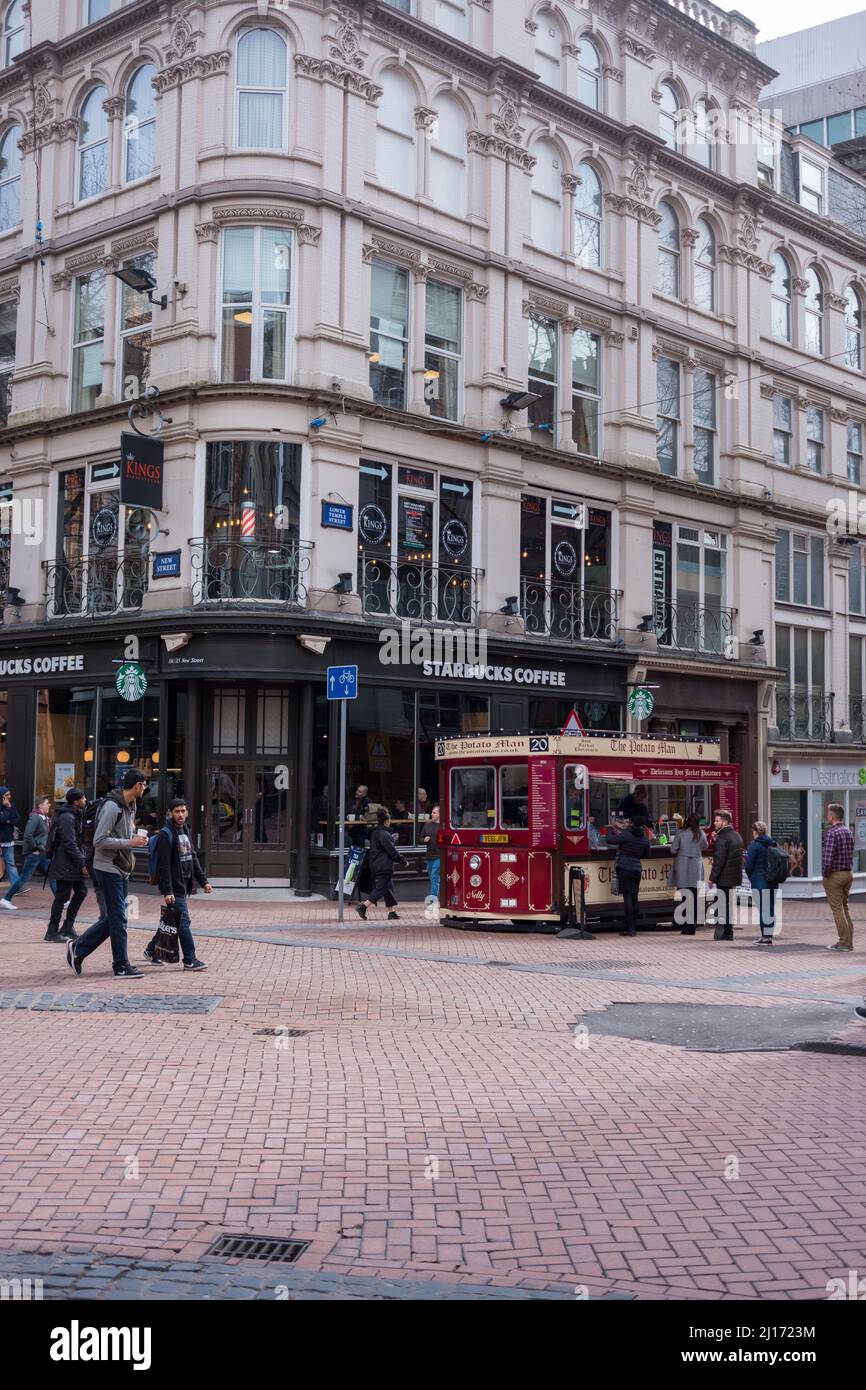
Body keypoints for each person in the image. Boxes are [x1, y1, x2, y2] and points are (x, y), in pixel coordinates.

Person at [67, 769, 149, 979]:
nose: (146, 788)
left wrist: (135, 839)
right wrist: (130, 842)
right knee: (119, 919)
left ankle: (78, 949)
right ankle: (120, 965)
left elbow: (122, 834)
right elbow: (99, 840)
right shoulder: (113, 807)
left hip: (122, 867)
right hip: (107, 867)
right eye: (145, 784)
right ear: (138, 785)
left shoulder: (130, 805)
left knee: (115, 918)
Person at [145, 798, 213, 971]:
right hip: (174, 886)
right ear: (170, 813)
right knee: (183, 923)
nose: (181, 815)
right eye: (177, 812)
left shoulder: (185, 830)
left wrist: (203, 881)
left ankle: (152, 950)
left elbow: (193, 857)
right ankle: (190, 960)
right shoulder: (165, 835)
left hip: (184, 883)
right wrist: (167, 890)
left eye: (183, 811)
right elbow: (164, 866)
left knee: (174, 921)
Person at [43, 789, 89, 943]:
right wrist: (82, 861)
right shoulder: (67, 818)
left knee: (81, 891)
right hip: (66, 863)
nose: (85, 800)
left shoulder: (74, 815)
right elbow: (70, 843)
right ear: (75, 802)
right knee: (62, 896)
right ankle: (52, 930)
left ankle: (68, 926)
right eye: (83, 798)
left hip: (72, 862)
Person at [1, 795, 56, 910]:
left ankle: (62, 899)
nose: (49, 805)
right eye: (47, 803)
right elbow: (28, 835)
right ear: (40, 805)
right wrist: (35, 848)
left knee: (52, 874)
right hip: (35, 854)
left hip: (42, 853)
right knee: (24, 878)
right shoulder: (35, 817)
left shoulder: (44, 817)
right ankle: (6, 899)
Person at [356, 808, 407, 921]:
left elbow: (382, 847)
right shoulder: (384, 834)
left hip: (375, 864)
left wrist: (391, 839)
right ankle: (363, 907)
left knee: (388, 888)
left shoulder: (375, 833)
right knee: (381, 889)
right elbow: (391, 851)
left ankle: (391, 912)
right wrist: (403, 860)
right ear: (386, 821)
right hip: (384, 866)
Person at [605, 814, 650, 936]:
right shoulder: (644, 838)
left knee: (628, 898)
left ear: (632, 823)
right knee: (635, 898)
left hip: (625, 868)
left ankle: (631, 929)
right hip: (637, 870)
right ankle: (633, 927)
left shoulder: (627, 834)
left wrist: (609, 828)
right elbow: (646, 855)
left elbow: (610, 840)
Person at [707, 809, 744, 941]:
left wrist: (712, 879)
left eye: (717, 821)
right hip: (734, 876)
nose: (715, 823)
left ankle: (724, 932)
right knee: (728, 904)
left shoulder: (723, 838)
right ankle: (729, 931)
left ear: (724, 822)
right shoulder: (736, 835)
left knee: (722, 905)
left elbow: (719, 860)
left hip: (724, 877)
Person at [822, 802, 854, 952]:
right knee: (844, 908)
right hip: (848, 873)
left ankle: (844, 942)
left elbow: (827, 858)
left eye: (828, 813)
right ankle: (849, 941)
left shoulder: (831, 833)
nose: (826, 815)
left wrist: (825, 875)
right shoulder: (848, 831)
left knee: (837, 909)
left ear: (833, 816)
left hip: (835, 875)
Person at [671, 813, 708, 935]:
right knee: (695, 897)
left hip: (683, 867)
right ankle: (692, 926)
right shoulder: (701, 834)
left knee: (685, 897)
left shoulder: (681, 834)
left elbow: (673, 849)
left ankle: (686, 926)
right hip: (696, 867)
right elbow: (705, 846)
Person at [744, 820, 778, 946]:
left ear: (756, 831)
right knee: (770, 908)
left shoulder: (754, 845)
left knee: (763, 909)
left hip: (759, 880)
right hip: (772, 880)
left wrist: (752, 877)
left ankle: (765, 937)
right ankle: (769, 935)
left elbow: (748, 866)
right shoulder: (773, 844)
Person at [0, 786, 21, 893]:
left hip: (8, 839)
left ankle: (16, 887)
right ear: (1, 797)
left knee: (10, 863)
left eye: (10, 794)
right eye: (7, 795)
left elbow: (17, 820)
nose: (9, 797)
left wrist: (7, 821)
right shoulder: (8, 806)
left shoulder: (12, 805)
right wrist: (8, 810)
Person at [422, 804, 440, 901]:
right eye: (432, 813)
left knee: (434, 877)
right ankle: (439, 896)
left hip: (439, 856)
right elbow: (420, 838)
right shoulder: (427, 824)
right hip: (429, 856)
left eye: (434, 813)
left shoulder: (443, 826)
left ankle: (433, 901)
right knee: (433, 879)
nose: (432, 814)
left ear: (439, 814)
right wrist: (424, 839)